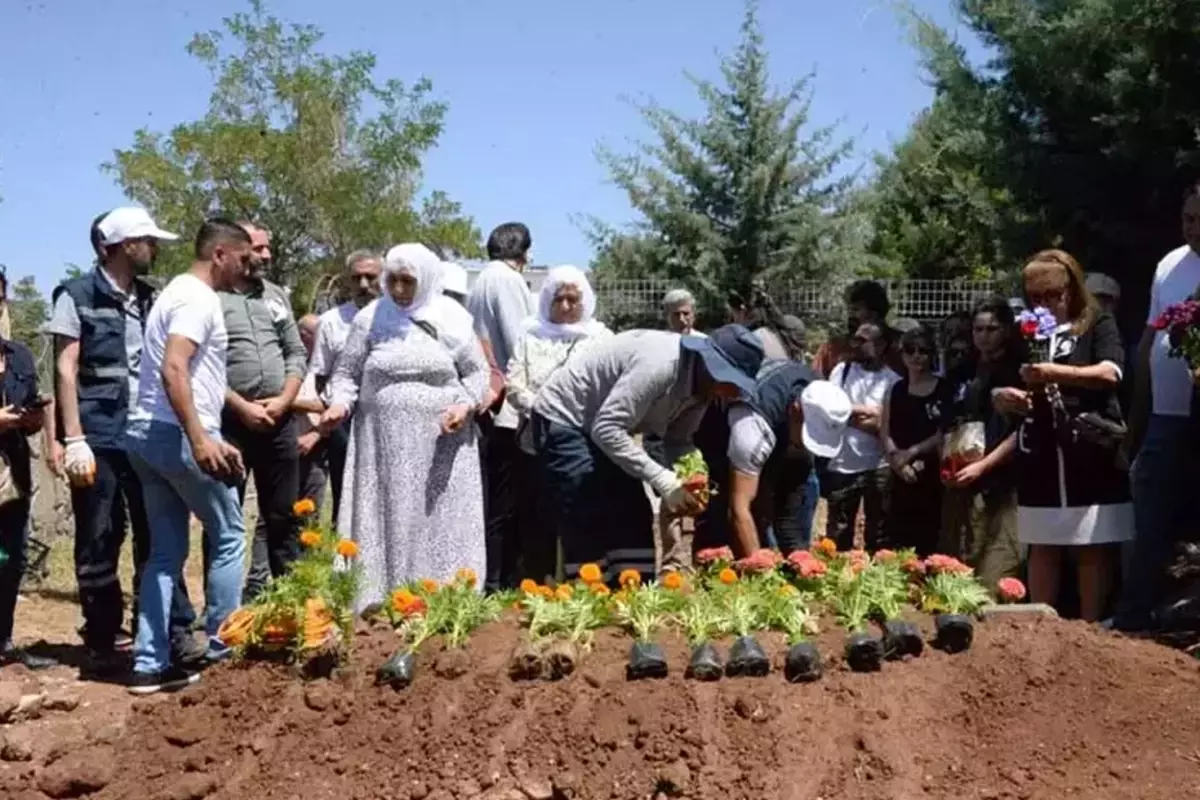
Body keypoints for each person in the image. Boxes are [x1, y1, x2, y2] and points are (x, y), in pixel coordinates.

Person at [47, 208, 200, 674]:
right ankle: (101, 636)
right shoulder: (75, 295)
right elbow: (65, 368)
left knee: (160, 533)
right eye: (146, 240)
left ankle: (172, 631)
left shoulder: (151, 299)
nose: (154, 248)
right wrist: (72, 438)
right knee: (100, 535)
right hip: (99, 435)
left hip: (147, 433)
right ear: (118, 245)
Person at [321, 244, 489, 612]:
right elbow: (346, 372)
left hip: (441, 445)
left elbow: (478, 374)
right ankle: (383, 596)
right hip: (382, 444)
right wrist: (339, 404)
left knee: (436, 520)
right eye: (392, 280)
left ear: (426, 280)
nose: (397, 290)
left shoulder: (452, 318)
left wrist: (464, 405)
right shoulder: (370, 318)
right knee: (389, 517)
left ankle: (443, 597)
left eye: (407, 281)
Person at [125, 218, 252, 694]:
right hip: (177, 432)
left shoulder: (173, 292)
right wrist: (200, 439)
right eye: (242, 258)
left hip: (146, 432)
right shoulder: (197, 299)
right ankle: (224, 651)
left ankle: (148, 663)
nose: (247, 266)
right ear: (219, 254)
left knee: (164, 552)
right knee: (230, 533)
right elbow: (174, 367)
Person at [531, 325, 763, 584]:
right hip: (566, 416)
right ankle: (588, 594)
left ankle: (634, 590)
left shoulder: (702, 390)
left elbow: (678, 440)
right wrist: (663, 480)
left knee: (631, 506)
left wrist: (693, 475)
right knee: (586, 502)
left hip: (604, 426)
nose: (734, 393)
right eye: (733, 382)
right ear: (714, 366)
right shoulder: (660, 365)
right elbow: (606, 429)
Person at [996, 250, 1131, 621]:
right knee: (1042, 541)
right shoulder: (1026, 330)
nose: (1044, 305)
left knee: (1091, 543)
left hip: (1087, 448)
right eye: (1035, 297)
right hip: (1040, 449)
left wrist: (1054, 373)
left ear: (1071, 290)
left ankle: (1089, 627)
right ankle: (1043, 628)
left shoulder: (1097, 324)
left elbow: (1111, 373)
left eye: (1052, 296)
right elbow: (1004, 378)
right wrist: (1004, 397)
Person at [1116, 187, 1200, 631]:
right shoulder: (1169, 264)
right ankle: (1135, 613)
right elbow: (1151, 336)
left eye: (1199, 218)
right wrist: (1137, 416)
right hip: (1165, 415)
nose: (1191, 226)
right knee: (1150, 511)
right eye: (1187, 217)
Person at [505, 266, 611, 583]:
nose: (565, 307)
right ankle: (541, 582)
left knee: (582, 512)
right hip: (537, 441)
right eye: (558, 299)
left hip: (585, 441)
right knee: (540, 516)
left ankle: (584, 582)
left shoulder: (602, 338)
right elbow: (514, 384)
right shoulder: (530, 336)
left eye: (573, 299)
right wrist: (542, 407)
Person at [219, 222, 306, 600]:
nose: (266, 255)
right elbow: (200, 366)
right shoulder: (210, 297)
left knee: (283, 517)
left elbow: (296, 352)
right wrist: (240, 406)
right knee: (225, 518)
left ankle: (289, 601)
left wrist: (285, 399)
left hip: (279, 421)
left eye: (268, 248)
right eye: (258, 248)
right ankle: (222, 609)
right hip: (229, 424)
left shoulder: (275, 296)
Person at [693, 364, 851, 558]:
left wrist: (799, 562)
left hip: (780, 437)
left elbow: (791, 501)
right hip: (722, 446)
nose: (809, 447)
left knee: (792, 527)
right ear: (796, 411)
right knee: (723, 529)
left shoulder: (821, 398)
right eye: (808, 438)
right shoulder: (752, 429)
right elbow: (739, 509)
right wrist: (762, 570)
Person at [467, 223, 536, 592]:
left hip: (491, 403)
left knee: (497, 497)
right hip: (509, 408)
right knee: (507, 501)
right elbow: (518, 341)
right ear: (524, 254)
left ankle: (496, 577)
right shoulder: (507, 281)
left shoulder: (481, 281)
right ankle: (501, 581)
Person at [940, 297, 1024, 590]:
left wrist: (984, 465)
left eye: (992, 329)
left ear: (1006, 331)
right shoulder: (964, 370)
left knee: (996, 567)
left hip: (1004, 481)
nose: (983, 336)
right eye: (978, 330)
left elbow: (1022, 431)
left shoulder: (1018, 370)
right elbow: (951, 421)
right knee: (958, 559)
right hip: (962, 478)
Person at [311, 250, 382, 524]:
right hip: (345, 420)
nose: (364, 285)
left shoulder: (397, 317)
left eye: (371, 277)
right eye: (357, 278)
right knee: (345, 493)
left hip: (384, 417)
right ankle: (344, 559)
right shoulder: (331, 322)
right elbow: (320, 374)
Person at [823, 321, 902, 550]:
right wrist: (871, 413)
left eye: (863, 340)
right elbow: (831, 409)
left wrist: (851, 412)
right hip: (842, 465)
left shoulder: (893, 381)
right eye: (854, 339)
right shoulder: (842, 371)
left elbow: (892, 427)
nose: (855, 345)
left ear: (881, 345)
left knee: (878, 534)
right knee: (838, 534)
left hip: (878, 467)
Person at [0, 334, 53, 668]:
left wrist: (32, 420)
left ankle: (3, 642)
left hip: (12, 475)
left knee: (11, 559)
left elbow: (31, 408)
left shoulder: (19, 355)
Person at [881, 325, 949, 556]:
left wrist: (911, 453)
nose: (916, 356)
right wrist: (896, 461)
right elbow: (886, 431)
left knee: (929, 543)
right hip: (900, 475)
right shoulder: (896, 389)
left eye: (923, 350)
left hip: (932, 476)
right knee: (898, 544)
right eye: (910, 350)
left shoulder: (943, 388)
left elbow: (944, 431)